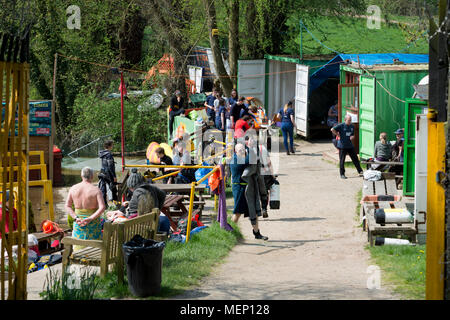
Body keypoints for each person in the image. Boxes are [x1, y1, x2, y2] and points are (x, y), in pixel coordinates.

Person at [109, 169, 169, 234]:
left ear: (132, 186)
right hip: (154, 219)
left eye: (130, 188)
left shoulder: (138, 192)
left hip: (140, 224)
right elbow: (162, 194)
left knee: (113, 220)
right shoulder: (151, 187)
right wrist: (158, 207)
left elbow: (140, 210)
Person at [230, 144, 268, 240]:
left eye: (243, 150)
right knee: (237, 213)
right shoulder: (235, 160)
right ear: (235, 152)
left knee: (254, 211)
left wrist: (248, 148)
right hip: (239, 189)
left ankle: (257, 233)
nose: (242, 152)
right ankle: (229, 232)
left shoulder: (242, 157)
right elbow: (249, 160)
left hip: (248, 189)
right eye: (240, 150)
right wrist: (250, 149)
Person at [65, 167, 106, 242]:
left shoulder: (73, 188)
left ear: (81, 176)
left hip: (79, 222)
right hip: (93, 223)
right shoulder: (96, 190)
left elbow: (67, 206)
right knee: (93, 248)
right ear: (92, 177)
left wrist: (75, 217)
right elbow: (102, 207)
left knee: (78, 245)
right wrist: (90, 218)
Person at [331, 115, 364, 179]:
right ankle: (342, 174)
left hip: (350, 145)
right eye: (348, 120)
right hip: (342, 146)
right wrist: (337, 134)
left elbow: (352, 134)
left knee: (355, 159)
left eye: (350, 120)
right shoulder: (341, 125)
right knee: (342, 160)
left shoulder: (352, 126)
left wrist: (352, 137)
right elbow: (332, 129)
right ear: (345, 120)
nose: (350, 121)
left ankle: (360, 171)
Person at [98, 140, 118, 205]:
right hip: (108, 174)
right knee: (113, 188)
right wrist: (114, 176)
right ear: (109, 146)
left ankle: (103, 203)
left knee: (103, 189)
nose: (113, 146)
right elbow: (110, 166)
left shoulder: (102, 153)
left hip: (102, 172)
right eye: (112, 145)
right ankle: (114, 202)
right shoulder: (109, 154)